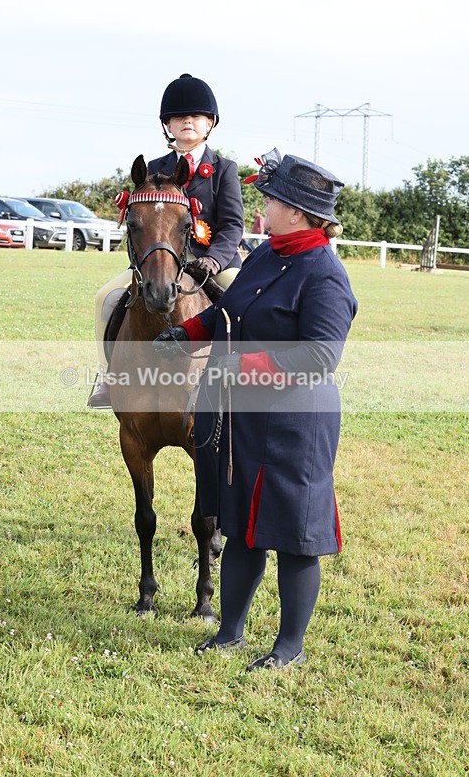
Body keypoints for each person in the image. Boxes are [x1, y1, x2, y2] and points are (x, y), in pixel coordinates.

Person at [153, 149, 358, 670]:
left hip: (296, 423)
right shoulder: (267, 255)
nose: (263, 205)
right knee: (242, 522)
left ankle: (289, 647)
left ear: (297, 210)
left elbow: (319, 356)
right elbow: (226, 311)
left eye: (271, 198)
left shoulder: (325, 275)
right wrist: (188, 332)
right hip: (244, 416)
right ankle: (231, 631)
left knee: (294, 537)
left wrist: (238, 369)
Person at [87, 73, 244, 408]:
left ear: (209, 124)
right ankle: (108, 377)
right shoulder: (152, 169)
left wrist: (213, 259)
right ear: (167, 126)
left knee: (241, 303)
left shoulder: (224, 169)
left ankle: (241, 379)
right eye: (178, 117)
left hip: (211, 263)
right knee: (106, 297)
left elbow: (232, 225)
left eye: (196, 117)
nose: (187, 121)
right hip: (159, 263)